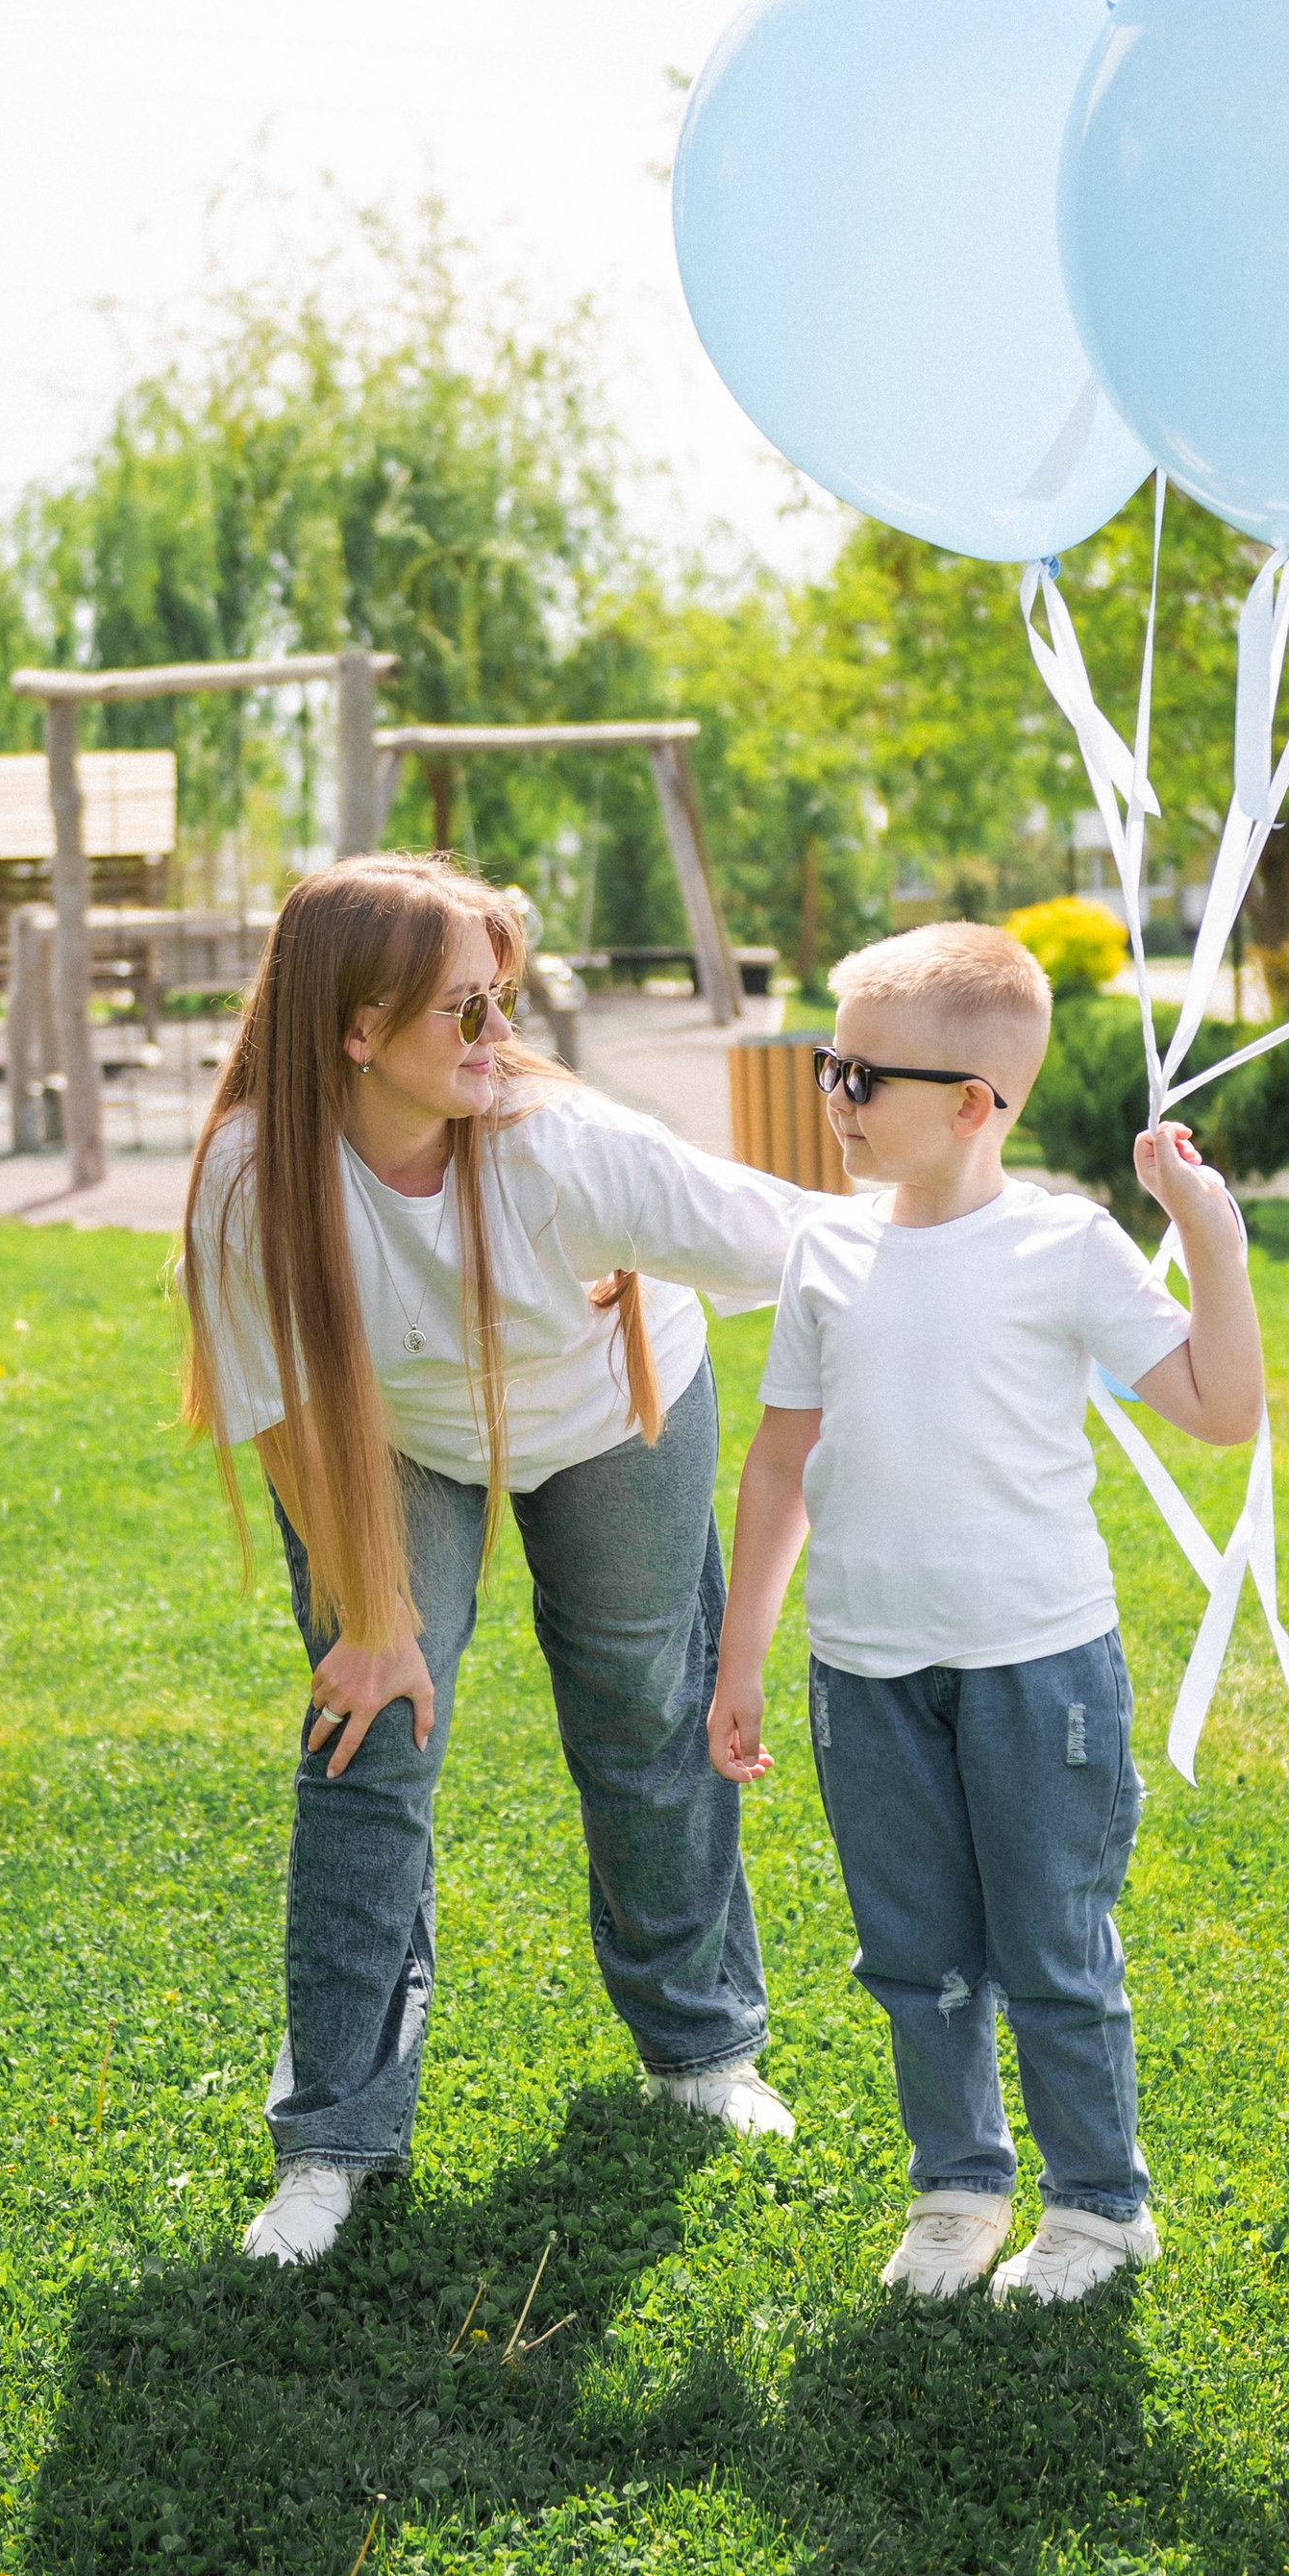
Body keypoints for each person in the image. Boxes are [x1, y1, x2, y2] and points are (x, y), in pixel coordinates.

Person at [182, 854, 809, 2269]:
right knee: (372, 1733)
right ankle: (333, 2137)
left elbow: (802, 1245)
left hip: (611, 1415)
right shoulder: (248, 1180)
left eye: (501, 1002)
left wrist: (1017, 1268)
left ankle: (702, 2050)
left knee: (646, 1704)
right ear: (356, 1029)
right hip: (391, 1443)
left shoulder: (561, 1146)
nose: (498, 1039)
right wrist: (376, 1615)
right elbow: (273, 1409)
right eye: (464, 1012)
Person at [706, 922, 1264, 2310]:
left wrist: (1213, 1239)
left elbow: (1219, 1407)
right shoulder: (825, 1252)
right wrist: (745, 1657)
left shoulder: (1063, 1246)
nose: (831, 1095)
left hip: (1041, 1670)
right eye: (829, 1064)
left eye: (858, 1076)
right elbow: (780, 1461)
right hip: (867, 1672)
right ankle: (957, 2186)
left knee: (1051, 1948)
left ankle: (1098, 2206)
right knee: (915, 1954)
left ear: (971, 1103)